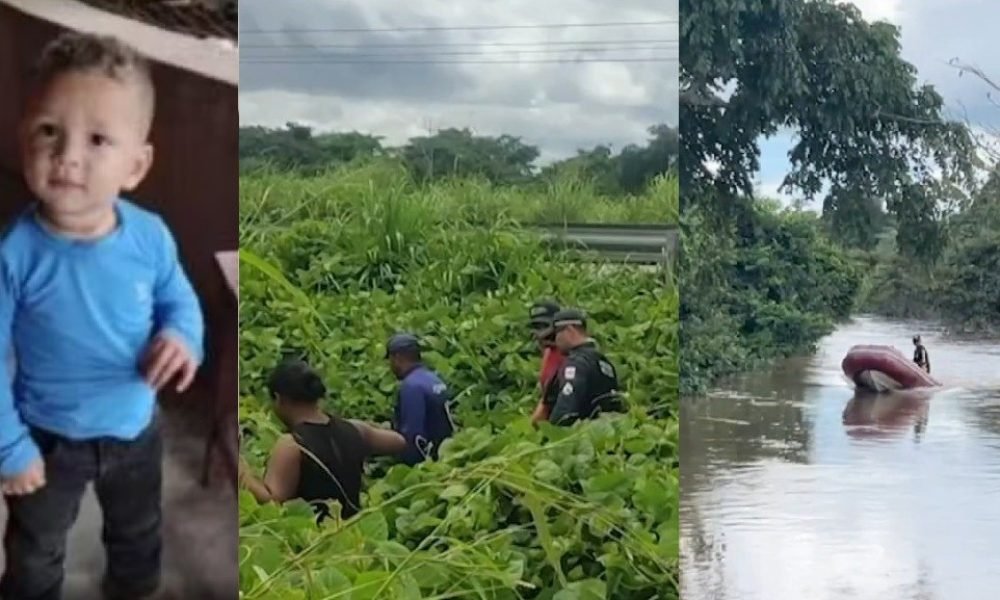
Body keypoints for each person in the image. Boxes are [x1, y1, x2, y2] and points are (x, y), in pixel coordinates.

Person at [0, 33, 204, 600]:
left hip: (137, 428)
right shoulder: (14, 255)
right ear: (23, 140)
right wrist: (10, 447)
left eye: (97, 139)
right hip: (46, 438)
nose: (67, 155)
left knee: (138, 536)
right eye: (48, 131)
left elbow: (178, 298)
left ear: (135, 165)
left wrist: (182, 335)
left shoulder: (150, 236)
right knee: (36, 550)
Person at [238, 359, 406, 522]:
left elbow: (273, 503)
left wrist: (240, 469)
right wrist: (360, 427)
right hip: (354, 535)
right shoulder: (353, 430)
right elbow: (398, 441)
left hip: (314, 541)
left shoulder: (292, 445)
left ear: (278, 398)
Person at [385, 333, 455, 465]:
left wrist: (412, 467)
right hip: (447, 454)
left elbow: (413, 436)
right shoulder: (434, 379)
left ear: (397, 357)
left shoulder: (411, 387)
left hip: (431, 462)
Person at [548, 308, 623, 426]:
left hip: (581, 435)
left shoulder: (576, 363)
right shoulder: (604, 362)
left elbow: (566, 409)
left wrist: (550, 435)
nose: (556, 341)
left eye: (556, 334)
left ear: (569, 330)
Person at [527, 300, 566, 425]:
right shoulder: (548, 352)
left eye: (543, 326)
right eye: (536, 327)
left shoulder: (570, 354)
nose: (539, 333)